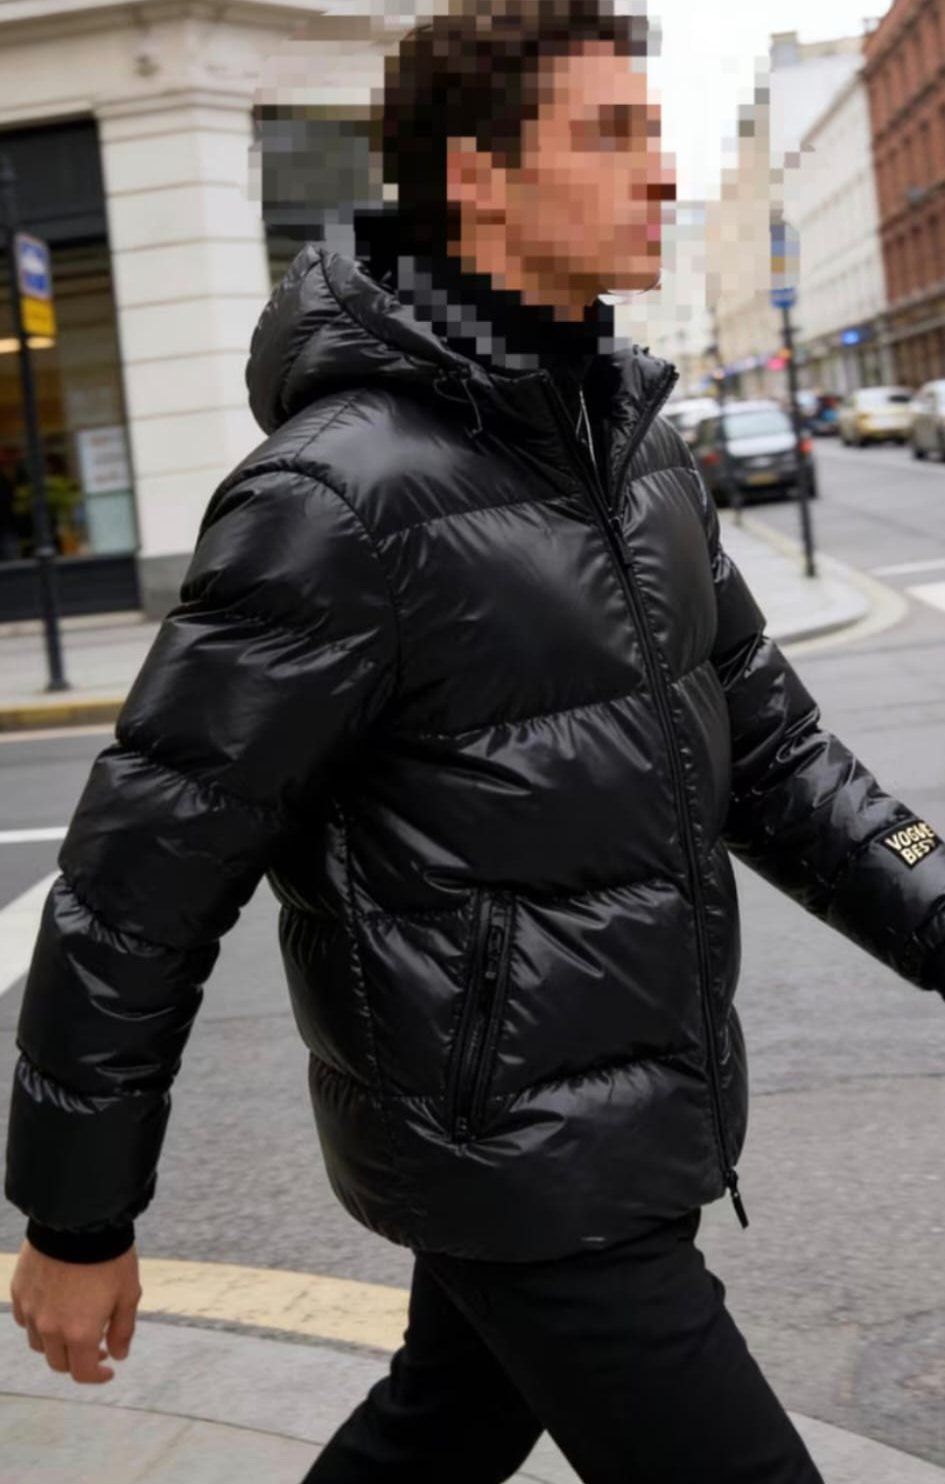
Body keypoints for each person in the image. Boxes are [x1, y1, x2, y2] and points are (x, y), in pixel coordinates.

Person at [6, 0, 945, 1478]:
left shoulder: (633, 455)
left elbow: (778, 759)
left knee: (437, 1428)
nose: (658, 172)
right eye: (611, 134)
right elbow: (144, 877)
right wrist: (77, 1216)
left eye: (655, 133)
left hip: (621, 1108)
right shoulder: (335, 500)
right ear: (475, 175)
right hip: (508, 1146)